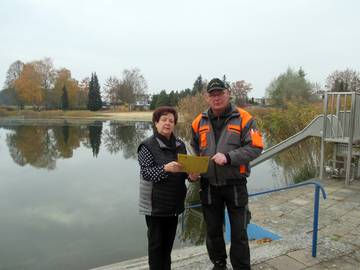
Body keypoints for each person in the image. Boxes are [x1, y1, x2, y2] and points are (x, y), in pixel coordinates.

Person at [189, 78, 263, 270]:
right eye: (212, 94)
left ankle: (241, 267)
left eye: (220, 93)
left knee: (239, 233)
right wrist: (193, 169)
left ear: (228, 93)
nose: (216, 98)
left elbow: (256, 147)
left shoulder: (245, 118)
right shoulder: (198, 122)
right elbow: (194, 149)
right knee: (213, 231)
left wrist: (229, 157)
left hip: (235, 185)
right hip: (208, 186)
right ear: (207, 97)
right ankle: (219, 264)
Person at [137, 106, 196, 270]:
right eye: (163, 119)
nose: (167, 123)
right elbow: (146, 173)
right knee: (156, 246)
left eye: (171, 120)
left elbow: (183, 172)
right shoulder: (146, 146)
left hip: (174, 204)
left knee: (168, 245)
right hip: (155, 205)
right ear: (156, 122)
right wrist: (165, 168)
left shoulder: (180, 145)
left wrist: (191, 176)